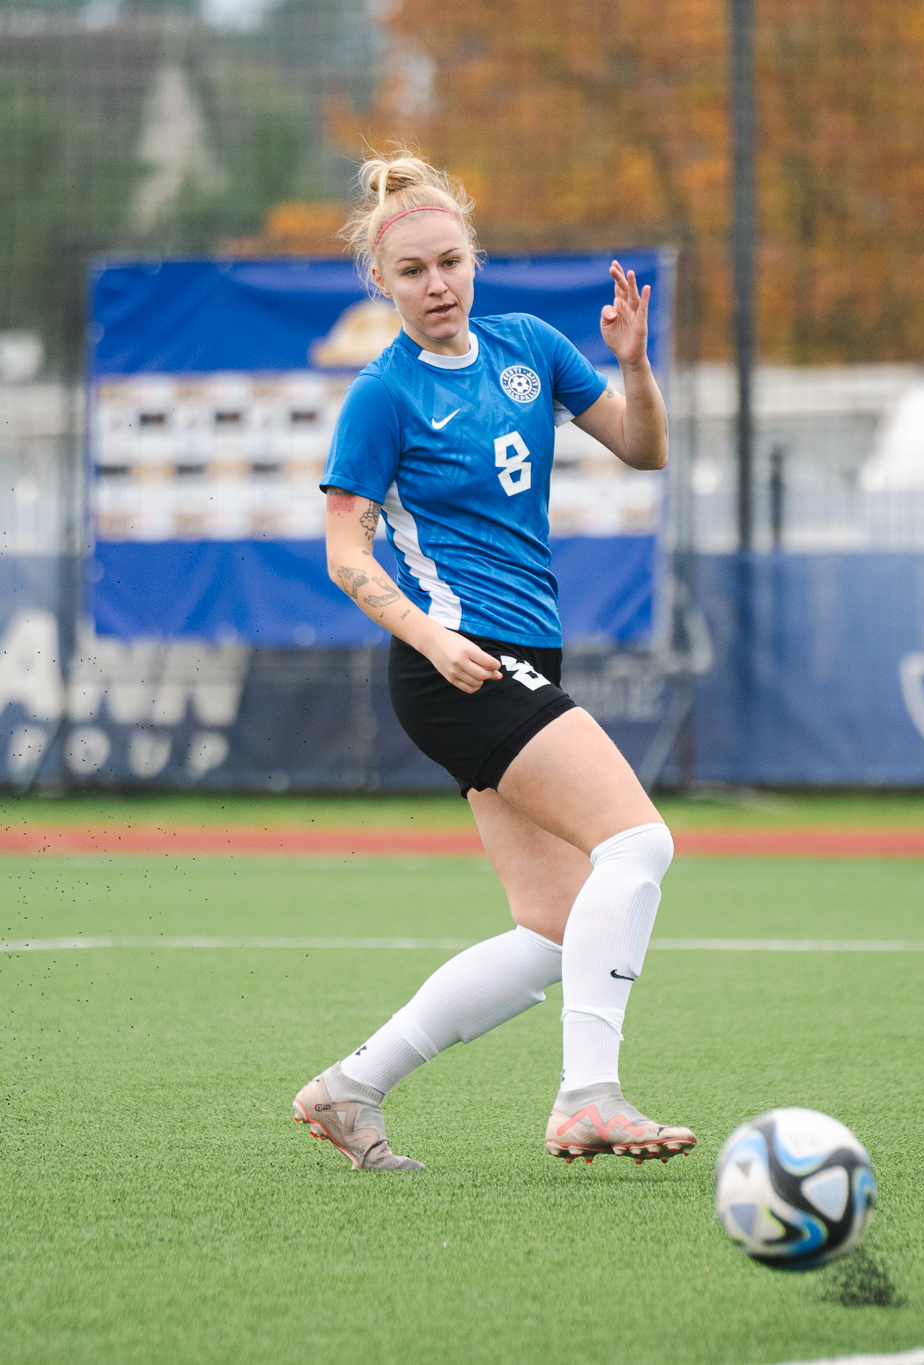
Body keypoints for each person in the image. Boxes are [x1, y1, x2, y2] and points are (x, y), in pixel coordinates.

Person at [291, 152, 691, 1171]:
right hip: (452, 666)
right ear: (380, 285)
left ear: (476, 262)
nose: (435, 286)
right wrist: (432, 637)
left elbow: (643, 451)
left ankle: (351, 1089)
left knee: (555, 931)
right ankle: (588, 1099)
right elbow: (347, 555)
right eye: (412, 271)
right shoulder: (383, 395)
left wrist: (635, 366)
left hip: (509, 659)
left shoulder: (528, 348)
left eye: (450, 263)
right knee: (638, 846)